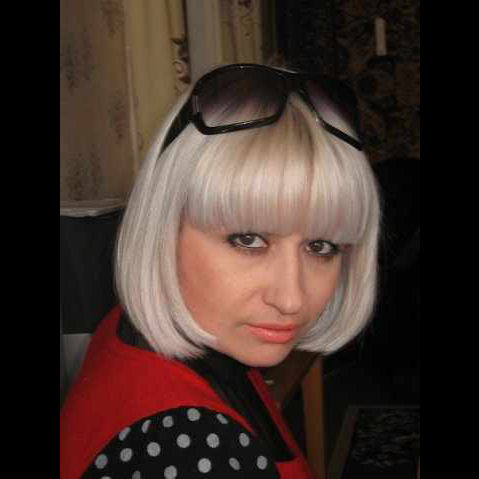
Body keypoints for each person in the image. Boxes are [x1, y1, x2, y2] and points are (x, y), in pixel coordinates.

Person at [60, 63, 380, 479]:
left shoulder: (157, 337)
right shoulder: (188, 448)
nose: (291, 299)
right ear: (164, 227)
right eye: (248, 239)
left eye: (320, 247)